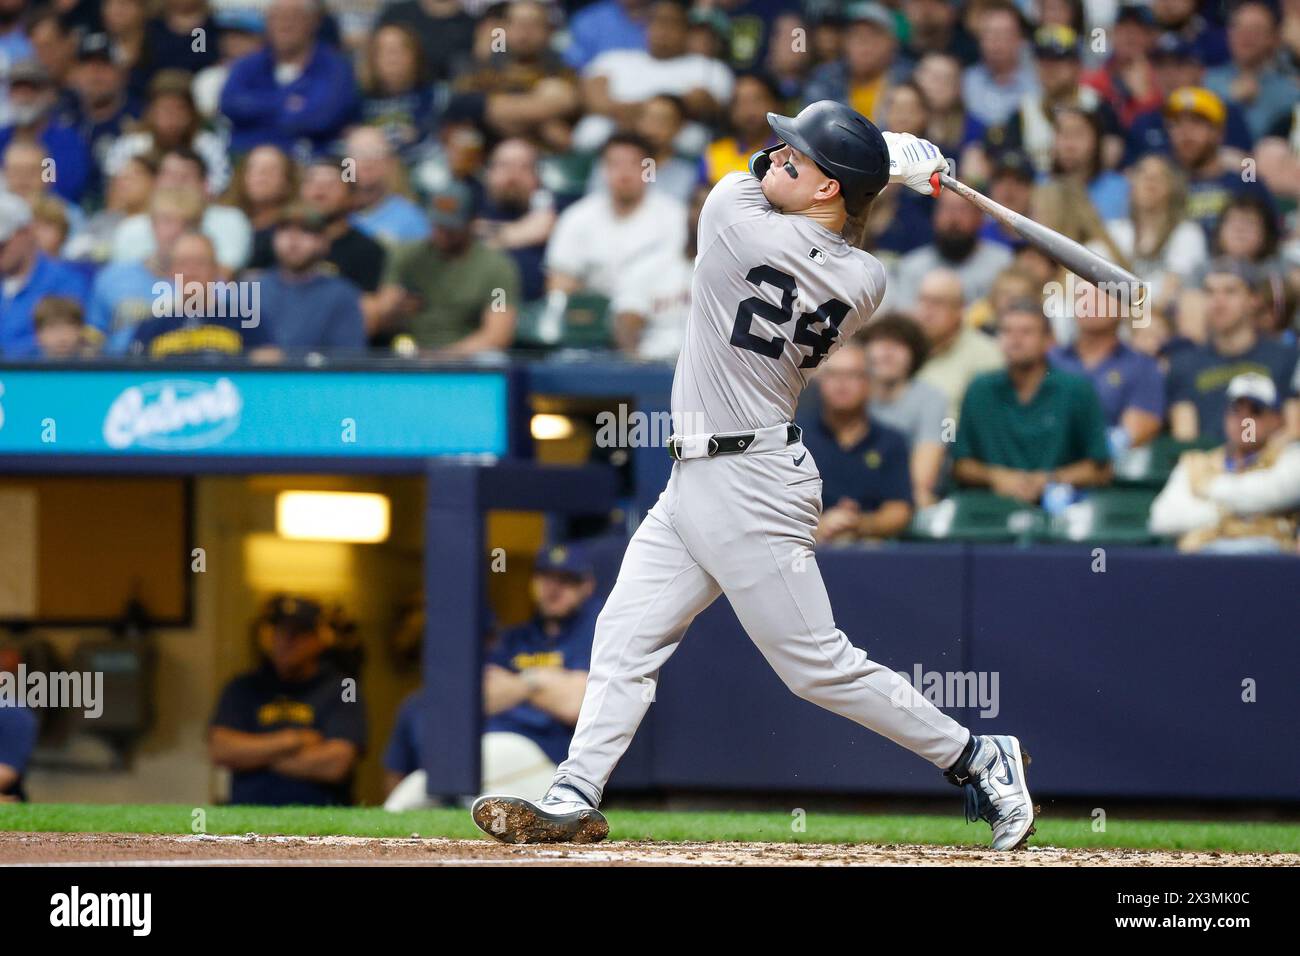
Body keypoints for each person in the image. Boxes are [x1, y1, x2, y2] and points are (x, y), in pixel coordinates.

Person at [471, 102, 1037, 852]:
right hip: (706, 476)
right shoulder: (867, 280)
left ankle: (975, 755)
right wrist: (883, 171)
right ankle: (576, 791)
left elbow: (751, 176)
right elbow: (826, 216)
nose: (775, 158)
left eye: (796, 158)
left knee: (815, 665)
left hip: (750, 480)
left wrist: (886, 165)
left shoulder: (732, 220)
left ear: (831, 188)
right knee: (624, 636)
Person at [209, 596, 367, 806]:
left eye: (298, 633)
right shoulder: (243, 686)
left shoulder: (343, 687)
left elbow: (336, 764)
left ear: (318, 640)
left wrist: (253, 756)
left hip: (324, 820)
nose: (285, 641)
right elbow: (221, 750)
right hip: (247, 820)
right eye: (279, 631)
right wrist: (294, 740)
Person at [952, 300, 1112, 502]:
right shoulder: (979, 388)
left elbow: (1101, 469)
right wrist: (996, 476)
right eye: (1007, 331)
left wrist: (1050, 479)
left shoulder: (1076, 389)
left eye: (1026, 332)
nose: (1015, 339)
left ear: (1048, 340)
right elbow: (961, 464)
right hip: (991, 507)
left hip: (1060, 507)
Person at [1150, 372, 1300, 552]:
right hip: (1206, 562)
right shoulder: (1196, 462)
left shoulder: (1290, 458)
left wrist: (1208, 487)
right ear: (1225, 416)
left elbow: (1273, 493)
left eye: (1255, 412)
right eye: (1236, 410)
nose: (1244, 420)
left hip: (1268, 562)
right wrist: (1227, 513)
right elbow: (1162, 519)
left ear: (1275, 420)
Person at [373, 180, 519, 353]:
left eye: (451, 226)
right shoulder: (406, 257)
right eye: (437, 224)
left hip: (468, 358)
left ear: (471, 223)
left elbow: (498, 335)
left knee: (492, 358)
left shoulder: (497, 268)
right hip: (409, 350)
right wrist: (394, 308)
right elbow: (382, 312)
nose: (442, 232)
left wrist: (442, 357)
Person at [1167, 259, 1299, 443]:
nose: (1218, 302)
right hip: (1208, 465)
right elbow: (1186, 437)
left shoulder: (1285, 356)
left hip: (1271, 464)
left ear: (1253, 299)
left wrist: (1254, 462)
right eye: (1210, 292)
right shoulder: (1184, 363)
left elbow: (1294, 430)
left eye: (1230, 291)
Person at [797, 338, 914, 543]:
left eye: (852, 375)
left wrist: (859, 524)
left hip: (872, 551)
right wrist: (819, 526)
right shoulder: (795, 439)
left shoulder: (891, 441)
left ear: (869, 382)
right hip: (804, 546)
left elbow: (900, 509)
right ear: (819, 381)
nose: (842, 384)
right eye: (833, 375)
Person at [544, 132, 687, 300]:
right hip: (595, 312)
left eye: (634, 164)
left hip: (656, 311)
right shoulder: (577, 216)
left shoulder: (674, 215)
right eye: (615, 164)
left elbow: (679, 275)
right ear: (603, 169)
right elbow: (559, 281)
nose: (624, 173)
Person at [219, 0, 359, 156]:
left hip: (309, 162)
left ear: (313, 22)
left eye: (293, 17)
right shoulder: (248, 64)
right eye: (277, 17)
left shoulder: (335, 67)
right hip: (247, 160)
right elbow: (230, 104)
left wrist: (257, 110)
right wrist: (285, 101)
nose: (284, 26)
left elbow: (321, 119)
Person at [1049, 282, 1165, 454]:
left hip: (1108, 471)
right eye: (1082, 296)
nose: (1088, 304)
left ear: (1122, 307)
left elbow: (1136, 430)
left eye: (1101, 297)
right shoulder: (1050, 359)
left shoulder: (1141, 365)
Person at [128, 232, 281, 360]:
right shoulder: (152, 324)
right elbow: (130, 370)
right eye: (183, 264)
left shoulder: (246, 319)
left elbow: (269, 362)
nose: (190, 272)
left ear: (215, 270)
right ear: (171, 272)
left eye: (199, 263)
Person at [110, 146, 252, 270]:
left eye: (185, 177)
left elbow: (223, 278)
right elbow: (122, 282)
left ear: (205, 185)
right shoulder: (130, 228)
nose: (175, 184)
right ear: (156, 182)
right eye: (169, 175)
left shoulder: (231, 220)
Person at [252, 203, 366, 353]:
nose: (293, 240)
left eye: (305, 231)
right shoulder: (250, 291)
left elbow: (348, 361)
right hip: (252, 376)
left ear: (324, 242)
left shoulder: (342, 296)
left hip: (316, 376)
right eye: (284, 230)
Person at [860, 315, 948, 507]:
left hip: (906, 497)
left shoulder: (933, 398)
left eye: (899, 344)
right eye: (880, 342)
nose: (887, 352)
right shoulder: (851, 393)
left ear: (914, 355)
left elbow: (923, 479)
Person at [884, 187, 1014, 315]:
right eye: (946, 209)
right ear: (934, 216)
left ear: (979, 217)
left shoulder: (1002, 264)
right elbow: (906, 321)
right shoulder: (912, 267)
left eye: (963, 209)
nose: (953, 219)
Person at [0, 193, 90, 358]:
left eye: (2, 245)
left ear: (26, 233)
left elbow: (63, 341)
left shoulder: (65, 282)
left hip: (35, 377)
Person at [912, 269, 1005, 420]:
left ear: (960, 310)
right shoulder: (903, 348)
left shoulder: (988, 355)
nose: (926, 311)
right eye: (922, 300)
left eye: (937, 302)